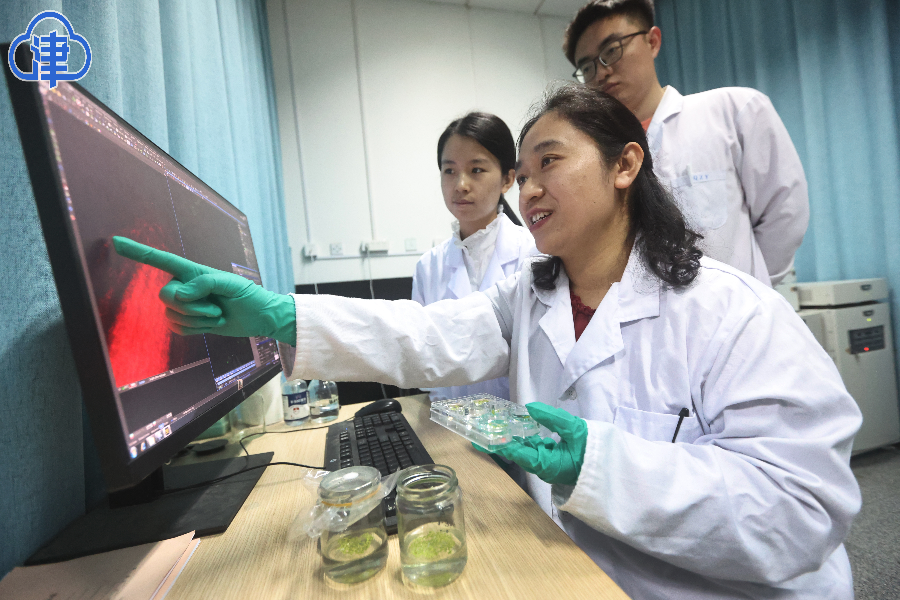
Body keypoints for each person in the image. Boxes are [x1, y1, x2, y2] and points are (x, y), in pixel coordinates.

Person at [114, 84, 861, 600]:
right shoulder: (530, 293)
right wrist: (282, 316)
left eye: (549, 164)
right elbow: (425, 334)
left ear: (625, 165)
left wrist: (602, 466)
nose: (527, 191)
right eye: (523, 174)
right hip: (579, 568)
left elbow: (800, 512)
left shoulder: (734, 313)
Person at [563, 0, 809, 287]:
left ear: (652, 41)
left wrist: (751, 292)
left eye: (611, 51)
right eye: (587, 66)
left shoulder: (734, 111)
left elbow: (785, 214)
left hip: (736, 308)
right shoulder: (598, 158)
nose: (601, 72)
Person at [412, 112, 537, 401]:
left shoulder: (533, 254)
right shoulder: (428, 266)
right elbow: (422, 357)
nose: (460, 185)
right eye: (449, 171)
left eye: (476, 169)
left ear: (507, 179)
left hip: (518, 420)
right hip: (446, 417)